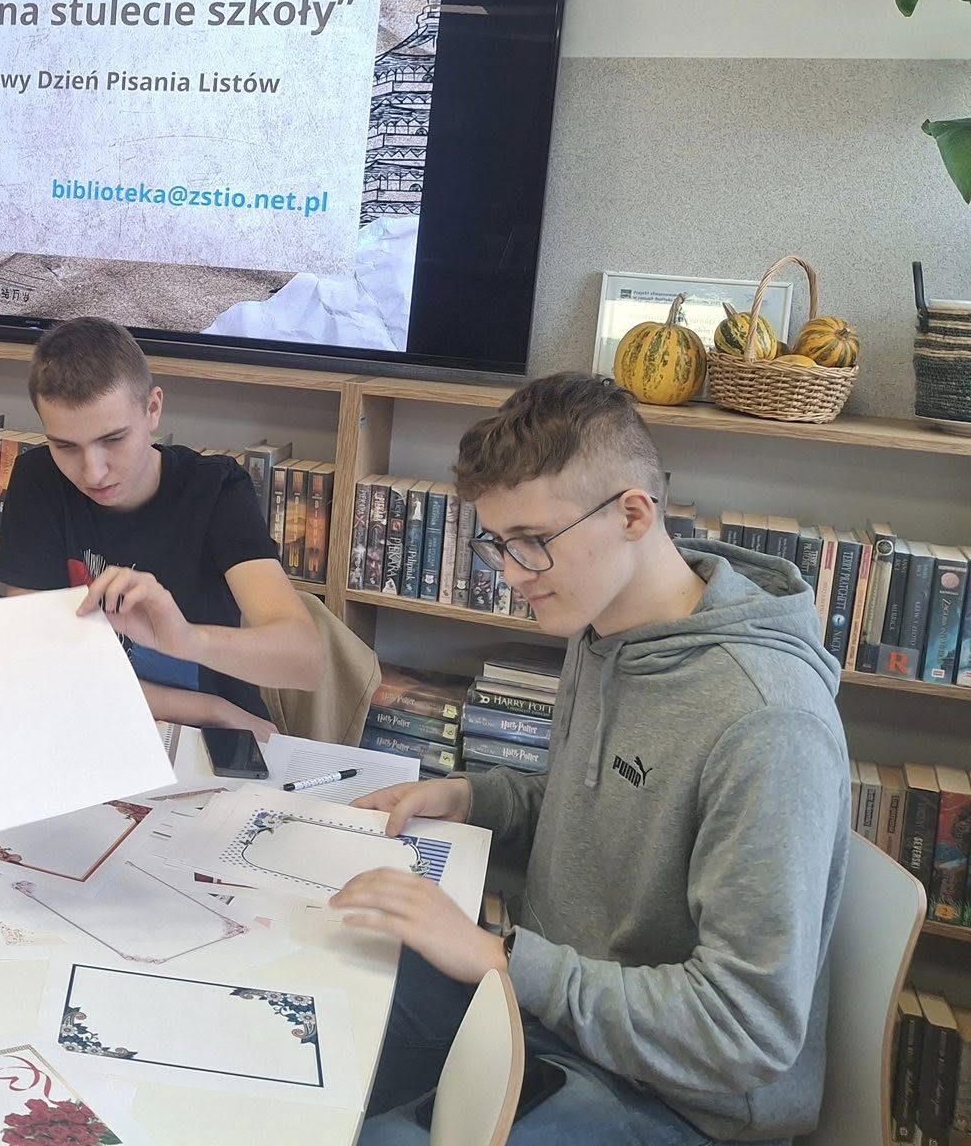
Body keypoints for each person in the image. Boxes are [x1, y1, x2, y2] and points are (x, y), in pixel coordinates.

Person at [334, 373, 849, 1144]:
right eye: (498, 544)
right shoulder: (604, 626)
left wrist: (501, 958)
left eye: (533, 542)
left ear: (633, 514)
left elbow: (745, 1030)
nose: (512, 575)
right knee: (324, 1007)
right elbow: (601, 806)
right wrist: (469, 797)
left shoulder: (768, 722)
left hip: (682, 1101)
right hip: (556, 1013)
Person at [0, 316, 323, 738]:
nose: (93, 472)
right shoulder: (38, 477)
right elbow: (39, 652)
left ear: (153, 409)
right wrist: (211, 708)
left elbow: (305, 662)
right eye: (65, 446)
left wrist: (188, 640)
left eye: (113, 440)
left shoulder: (215, 489)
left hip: (207, 741)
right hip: (102, 718)